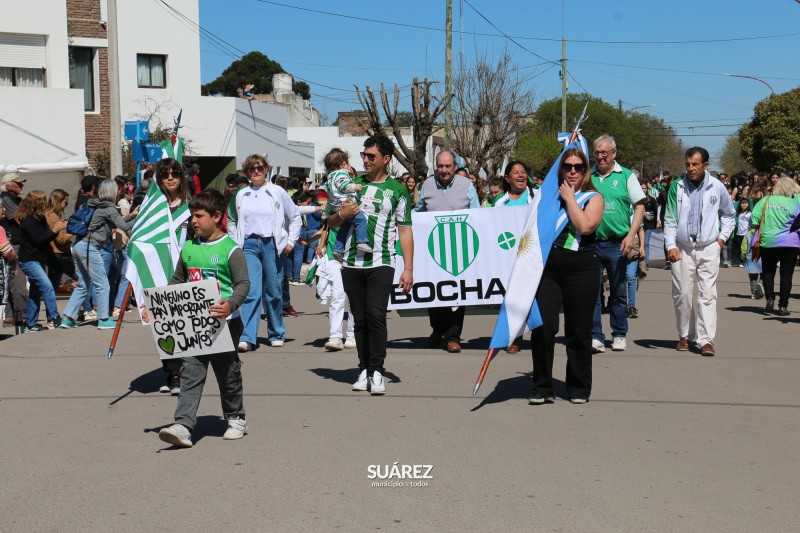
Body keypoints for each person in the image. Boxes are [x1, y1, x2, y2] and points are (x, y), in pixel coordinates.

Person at [157, 190, 250, 448]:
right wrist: (158, 305)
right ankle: (183, 425)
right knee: (191, 372)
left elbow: (243, 284)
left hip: (225, 324)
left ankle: (235, 418)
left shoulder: (231, 250)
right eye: (192, 216)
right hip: (193, 323)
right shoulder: (188, 247)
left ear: (217, 216)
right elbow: (177, 281)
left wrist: (230, 304)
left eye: (199, 216)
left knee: (227, 373)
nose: (193, 221)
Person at [329, 134, 414, 394]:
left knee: (376, 315)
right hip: (352, 263)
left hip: (382, 261)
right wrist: (342, 214)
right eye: (364, 155)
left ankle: (377, 370)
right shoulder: (351, 185)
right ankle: (364, 368)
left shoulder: (397, 190)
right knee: (360, 319)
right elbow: (331, 222)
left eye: (371, 156)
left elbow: (405, 231)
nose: (365, 160)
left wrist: (408, 268)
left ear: (385, 159)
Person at [529, 148, 603, 405]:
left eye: (579, 167)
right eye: (568, 166)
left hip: (582, 269)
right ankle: (541, 386)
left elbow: (585, 226)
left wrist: (571, 198)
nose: (573, 171)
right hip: (548, 270)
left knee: (578, 330)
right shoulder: (549, 198)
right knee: (543, 326)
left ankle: (579, 387)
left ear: (586, 170)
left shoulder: (594, 197)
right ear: (561, 169)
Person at [663, 147, 735, 356]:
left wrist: (721, 239)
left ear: (705, 166)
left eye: (695, 164)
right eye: (688, 164)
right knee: (683, 293)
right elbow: (669, 219)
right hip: (683, 248)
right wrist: (671, 246)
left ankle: (706, 340)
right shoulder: (677, 187)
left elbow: (729, 214)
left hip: (709, 247)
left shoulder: (717, 187)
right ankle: (685, 335)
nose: (691, 168)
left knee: (707, 294)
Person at [227, 154, 300, 352]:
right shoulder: (241, 194)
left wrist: (291, 241)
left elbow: (294, 217)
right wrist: (236, 244)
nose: (256, 171)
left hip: (272, 245)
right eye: (252, 169)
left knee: (274, 290)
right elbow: (231, 220)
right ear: (247, 171)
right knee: (250, 291)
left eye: (260, 168)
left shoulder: (277, 192)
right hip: (249, 245)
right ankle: (247, 336)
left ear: (266, 169)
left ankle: (276, 333)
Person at [415, 150, 479, 353]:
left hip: (461, 247)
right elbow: (418, 212)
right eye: (440, 166)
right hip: (433, 248)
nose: (444, 170)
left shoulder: (467, 185)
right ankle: (437, 329)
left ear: (454, 166)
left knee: (457, 295)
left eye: (448, 166)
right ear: (436, 167)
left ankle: (453, 337)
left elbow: (477, 214)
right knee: (434, 294)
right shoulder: (427, 184)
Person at [590, 135, 646, 353]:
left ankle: (619, 333)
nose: (600, 157)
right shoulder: (588, 175)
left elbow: (640, 207)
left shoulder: (626, 176)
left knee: (618, 292)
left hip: (618, 244)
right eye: (596, 152)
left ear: (614, 153)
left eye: (604, 152)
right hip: (592, 243)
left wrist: (631, 235)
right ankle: (595, 336)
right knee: (593, 292)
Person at [60, 180, 139, 330]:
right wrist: (139, 218)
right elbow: (123, 227)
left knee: (83, 284)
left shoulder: (93, 204)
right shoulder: (109, 208)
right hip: (90, 247)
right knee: (103, 284)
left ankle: (68, 318)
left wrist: (131, 215)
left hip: (78, 245)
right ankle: (103, 318)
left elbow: (115, 222)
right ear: (112, 192)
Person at [493, 161, 537, 353]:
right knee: (513, 298)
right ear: (507, 178)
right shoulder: (500, 202)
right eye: (516, 172)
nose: (520, 175)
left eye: (523, 172)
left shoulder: (536, 196)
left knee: (536, 297)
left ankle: (540, 336)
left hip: (534, 255)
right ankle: (514, 337)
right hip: (509, 258)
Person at [16, 190, 66, 331]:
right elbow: (38, 240)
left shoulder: (40, 218)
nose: (45, 203)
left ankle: (31, 323)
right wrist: (54, 230)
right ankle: (55, 317)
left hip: (39, 259)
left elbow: (45, 238)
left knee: (36, 292)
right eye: (43, 200)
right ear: (35, 203)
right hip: (29, 260)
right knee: (47, 285)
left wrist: (55, 230)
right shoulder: (28, 221)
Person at [749, 177, 800, 316]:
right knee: (787, 275)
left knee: (768, 271)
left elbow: (754, 219)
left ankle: (770, 300)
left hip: (768, 241)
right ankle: (783, 306)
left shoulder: (765, 201)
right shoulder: (794, 204)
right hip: (790, 242)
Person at [323, 148, 370, 261]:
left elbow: (327, 191)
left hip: (336, 206)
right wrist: (355, 187)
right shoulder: (341, 174)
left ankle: (338, 249)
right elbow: (344, 186)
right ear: (343, 164)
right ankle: (362, 241)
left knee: (344, 226)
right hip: (346, 203)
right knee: (361, 219)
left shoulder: (330, 177)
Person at [0, 172, 27, 326]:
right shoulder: (7, 199)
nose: (21, 185)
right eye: (18, 183)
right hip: (12, 245)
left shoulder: (13, 199)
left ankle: (11, 316)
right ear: (9, 185)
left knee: (13, 280)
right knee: (18, 280)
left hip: (13, 243)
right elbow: (18, 220)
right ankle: (21, 316)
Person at [641, 182, 658, 268]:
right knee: (640, 243)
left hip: (649, 224)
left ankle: (646, 262)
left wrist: (656, 222)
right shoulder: (636, 199)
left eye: (645, 188)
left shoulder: (651, 199)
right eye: (642, 188)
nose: (643, 190)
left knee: (646, 243)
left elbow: (655, 211)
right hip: (639, 224)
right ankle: (640, 262)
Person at [733, 197, 752, 268]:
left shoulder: (750, 214)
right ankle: (741, 261)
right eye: (742, 203)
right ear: (740, 205)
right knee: (740, 248)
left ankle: (748, 261)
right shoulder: (738, 214)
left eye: (746, 203)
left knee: (747, 249)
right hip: (739, 233)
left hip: (747, 233)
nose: (744, 205)